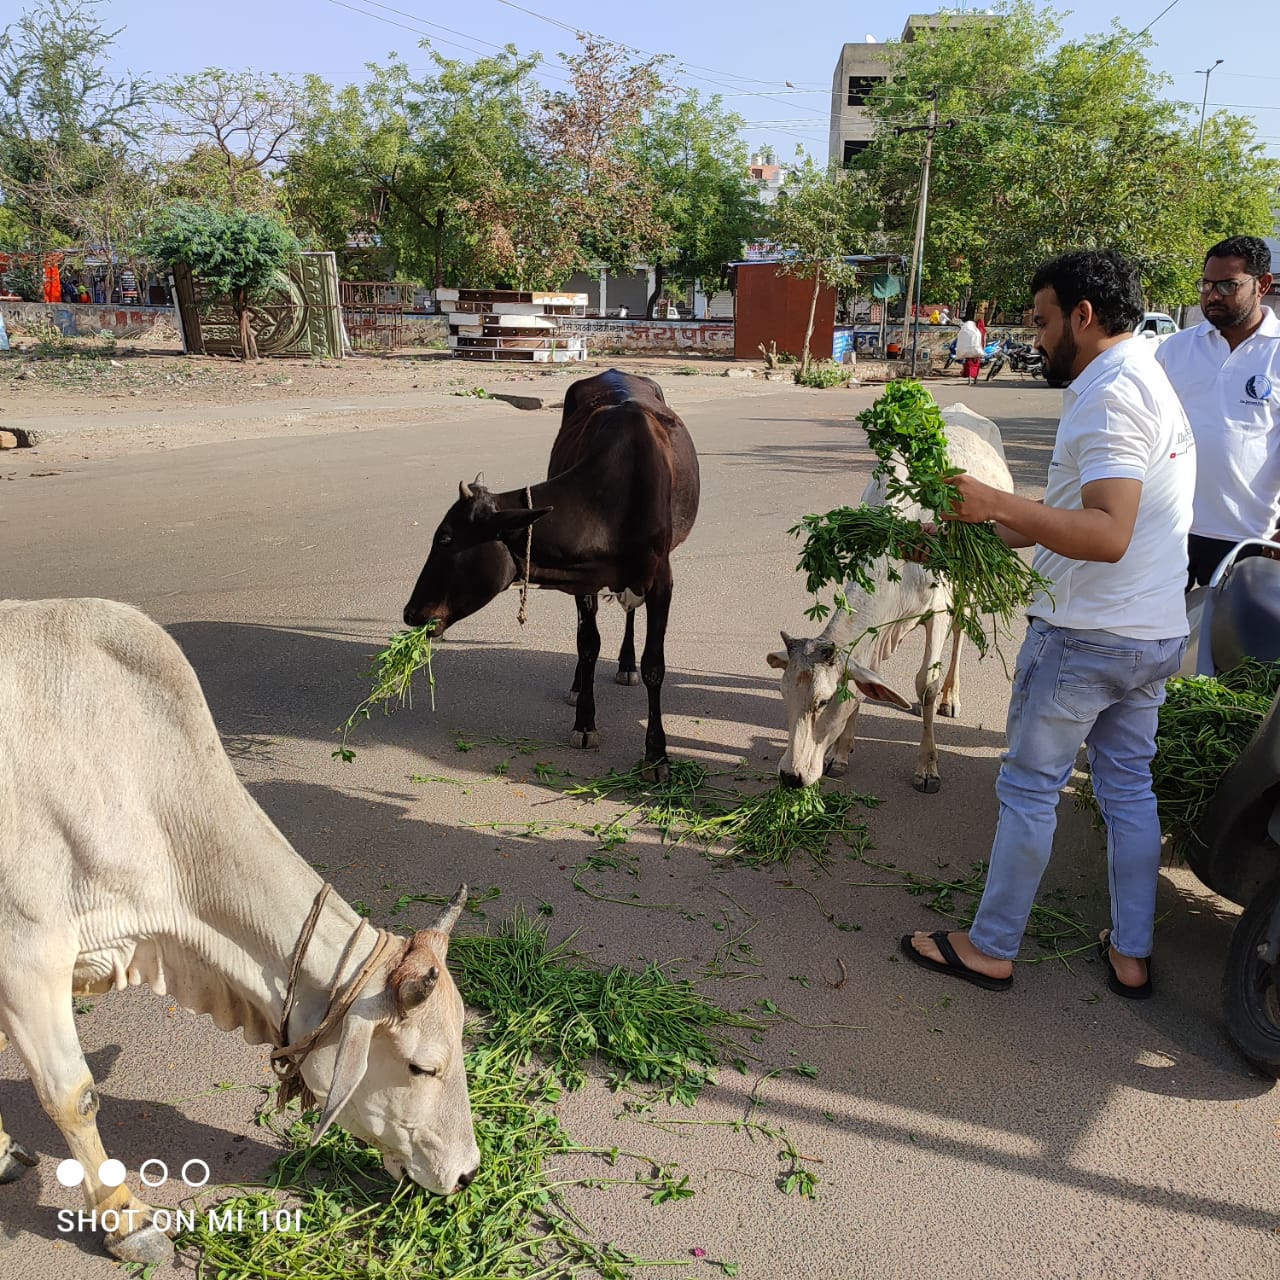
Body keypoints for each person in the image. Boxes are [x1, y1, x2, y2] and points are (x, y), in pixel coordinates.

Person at [902, 249, 1195, 998]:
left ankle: (991, 946)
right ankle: (1131, 951)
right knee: (1129, 791)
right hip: (1151, 632)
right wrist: (959, 537)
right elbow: (1069, 517)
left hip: (1085, 637)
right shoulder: (1148, 376)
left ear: (1083, 316)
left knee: (1031, 789)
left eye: (1041, 321)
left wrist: (995, 502)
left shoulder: (1108, 396)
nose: (1034, 339)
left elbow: (1105, 533)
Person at [1155, 235, 1280, 587]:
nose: (1212, 295)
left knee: (1226, 640)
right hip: (1168, 525)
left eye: (1227, 285)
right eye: (1207, 284)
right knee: (1159, 635)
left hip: (1247, 539)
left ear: (1263, 285)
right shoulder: (1174, 349)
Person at [954, 310, 985, 385]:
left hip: (970, 352)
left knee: (968, 364)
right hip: (977, 351)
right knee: (976, 365)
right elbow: (983, 340)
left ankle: (969, 376)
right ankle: (975, 378)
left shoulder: (971, 330)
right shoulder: (980, 330)